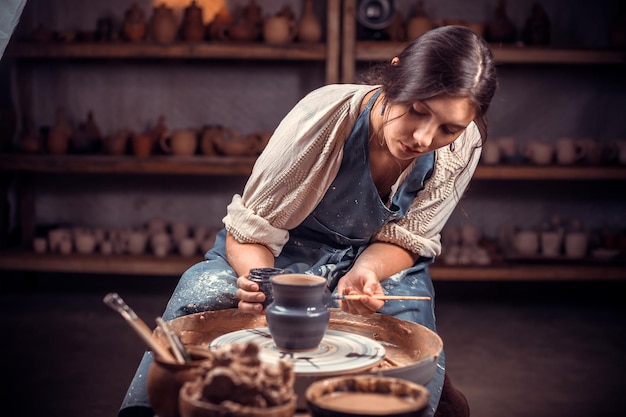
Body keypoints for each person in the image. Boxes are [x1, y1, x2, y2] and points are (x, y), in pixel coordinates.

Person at [119, 25, 497, 417]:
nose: (423, 137)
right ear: (395, 74)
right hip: (279, 252)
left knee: (412, 346)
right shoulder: (324, 117)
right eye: (418, 111)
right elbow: (249, 232)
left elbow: (409, 238)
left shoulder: (462, 146)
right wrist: (264, 285)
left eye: (447, 128)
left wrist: (366, 272)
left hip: (377, 265)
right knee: (202, 291)